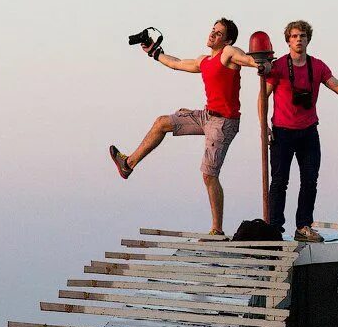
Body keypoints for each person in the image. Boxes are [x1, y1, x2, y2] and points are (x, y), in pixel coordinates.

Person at [108, 18, 269, 236]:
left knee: (208, 175)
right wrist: (155, 52)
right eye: (212, 30)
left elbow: (245, 58)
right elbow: (177, 63)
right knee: (162, 123)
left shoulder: (228, 53)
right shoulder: (204, 61)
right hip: (206, 116)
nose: (212, 35)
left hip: (224, 123)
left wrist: (259, 63)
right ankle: (128, 164)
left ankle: (217, 230)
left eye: (218, 33)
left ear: (227, 39)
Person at [264, 20, 338, 242]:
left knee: (310, 179)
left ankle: (303, 226)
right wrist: (265, 128)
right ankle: (275, 229)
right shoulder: (279, 66)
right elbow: (263, 96)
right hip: (282, 131)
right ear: (288, 40)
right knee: (279, 181)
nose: (298, 39)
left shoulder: (317, 66)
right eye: (294, 36)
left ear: (308, 39)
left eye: (302, 35)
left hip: (308, 131)